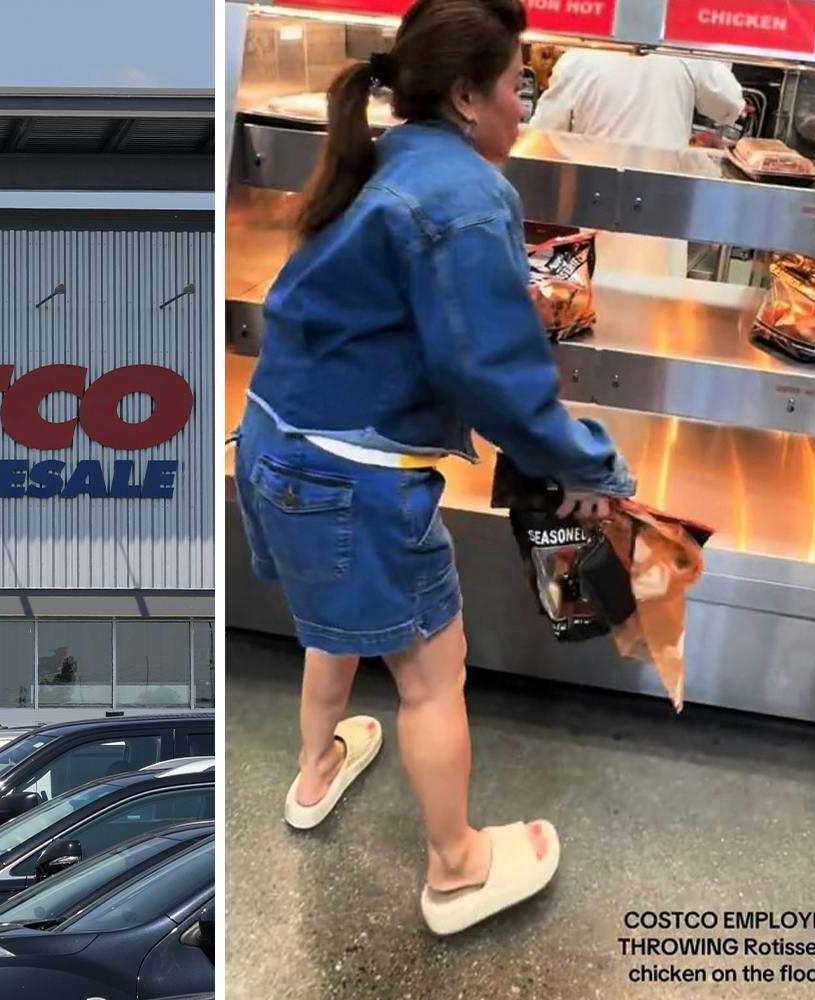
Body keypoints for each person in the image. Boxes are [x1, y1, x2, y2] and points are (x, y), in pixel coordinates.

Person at [237, 0, 635, 937]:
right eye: (514, 85)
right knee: (431, 671)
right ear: (466, 95)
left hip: (273, 442)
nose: (522, 102)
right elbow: (490, 373)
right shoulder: (465, 194)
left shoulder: (386, 159)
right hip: (350, 477)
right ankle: (457, 867)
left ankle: (315, 771)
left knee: (333, 623)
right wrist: (593, 468)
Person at [527, 49, 747, 277]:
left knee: (599, 297)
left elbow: (541, 139)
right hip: (663, 216)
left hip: (598, 211)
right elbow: (730, 103)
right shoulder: (683, 55)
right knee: (656, 298)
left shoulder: (579, 59)